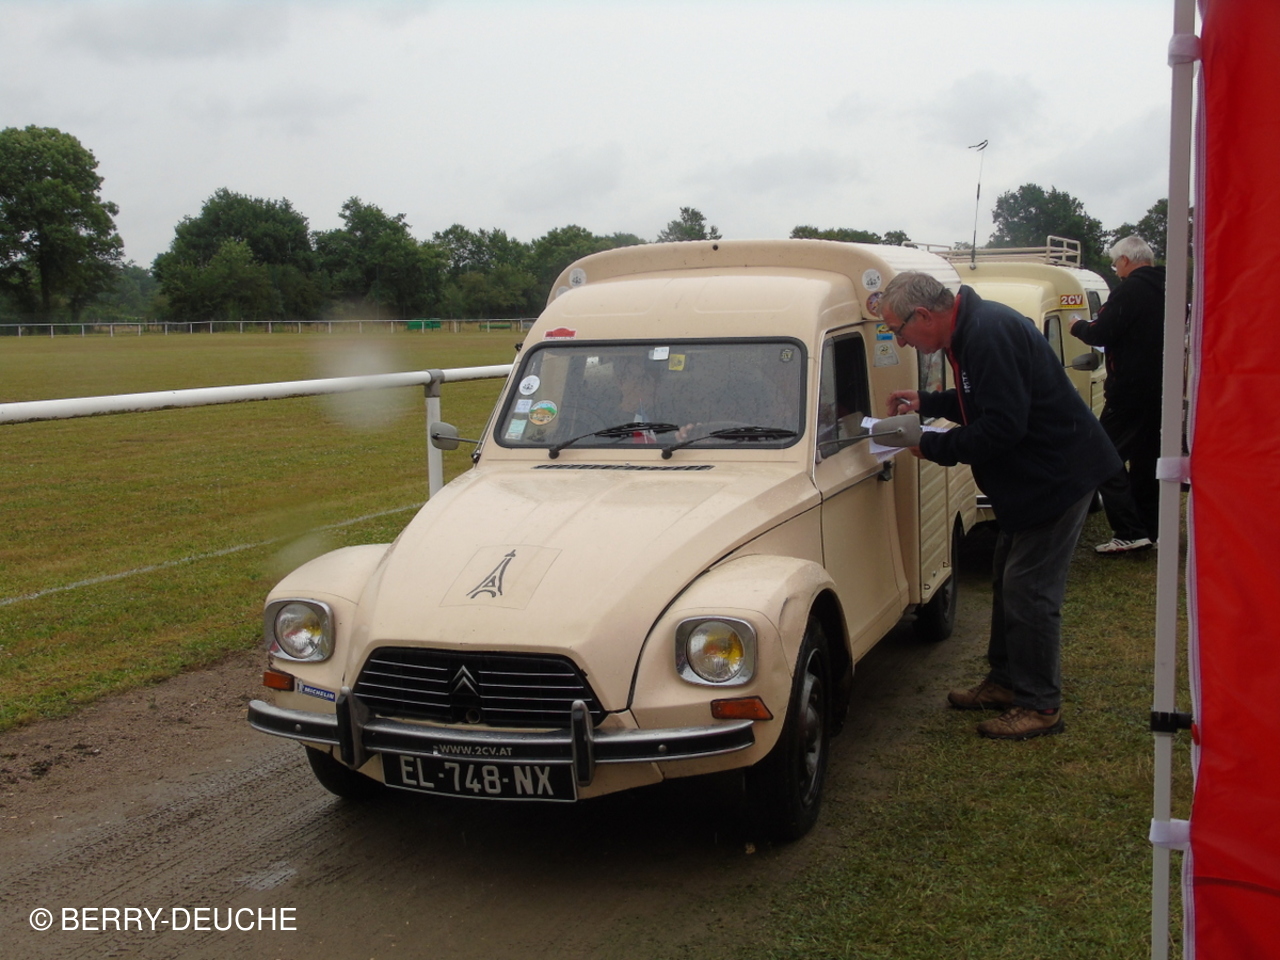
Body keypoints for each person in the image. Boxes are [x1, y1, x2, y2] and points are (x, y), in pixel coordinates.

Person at [881, 271, 1121, 740]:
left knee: (1029, 591)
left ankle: (1040, 705)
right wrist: (928, 401)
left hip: (1055, 478)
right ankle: (1006, 682)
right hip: (1032, 481)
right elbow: (983, 400)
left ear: (923, 315)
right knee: (1007, 580)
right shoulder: (972, 330)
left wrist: (931, 445)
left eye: (898, 330)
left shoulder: (986, 333)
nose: (902, 341)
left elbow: (1002, 427)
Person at [1071, 236, 1166, 554]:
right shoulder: (1168, 286)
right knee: (1146, 461)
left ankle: (1129, 530)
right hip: (1159, 389)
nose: (1116, 270)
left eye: (1115, 264)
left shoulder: (1130, 290)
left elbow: (1101, 331)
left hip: (1129, 391)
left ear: (1125, 260)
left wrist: (1077, 326)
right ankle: (1150, 529)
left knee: (1101, 455)